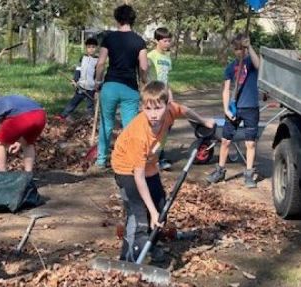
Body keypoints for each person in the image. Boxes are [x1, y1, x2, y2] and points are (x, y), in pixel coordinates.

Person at [111, 81, 214, 263]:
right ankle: (128, 260)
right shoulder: (138, 134)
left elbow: (184, 110)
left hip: (149, 165)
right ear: (142, 107)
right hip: (126, 168)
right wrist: (149, 208)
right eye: (148, 109)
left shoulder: (170, 112)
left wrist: (203, 121)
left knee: (160, 208)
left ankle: (149, 245)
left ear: (166, 106)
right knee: (139, 215)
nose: (153, 115)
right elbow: (138, 177)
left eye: (157, 109)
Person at [93, 4, 149, 172]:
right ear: (133, 20)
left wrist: (97, 81)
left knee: (106, 124)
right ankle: (129, 160)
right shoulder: (139, 41)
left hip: (110, 86)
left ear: (117, 19)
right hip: (130, 88)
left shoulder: (109, 38)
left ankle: (101, 161)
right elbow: (144, 67)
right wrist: (144, 82)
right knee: (130, 127)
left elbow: (101, 62)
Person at [206, 34, 260, 189]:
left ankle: (249, 174)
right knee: (225, 141)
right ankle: (220, 170)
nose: (239, 52)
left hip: (251, 108)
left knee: (250, 143)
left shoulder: (251, 64)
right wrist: (226, 109)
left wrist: (249, 47)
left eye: (242, 49)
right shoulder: (230, 67)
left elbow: (259, 65)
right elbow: (226, 90)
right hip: (234, 108)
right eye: (236, 49)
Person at [147, 27, 174, 171]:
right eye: (165, 41)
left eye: (169, 41)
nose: (168, 43)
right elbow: (145, 76)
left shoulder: (167, 57)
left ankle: (160, 156)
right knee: (155, 128)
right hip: (154, 97)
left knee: (166, 127)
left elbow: (166, 79)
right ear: (157, 41)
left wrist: (170, 95)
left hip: (165, 96)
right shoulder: (151, 56)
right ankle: (152, 156)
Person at [56, 37, 99, 122]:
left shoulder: (97, 60)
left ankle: (91, 120)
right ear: (86, 48)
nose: (91, 49)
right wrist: (75, 80)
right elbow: (78, 70)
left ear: (96, 48)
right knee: (74, 101)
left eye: (93, 47)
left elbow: (98, 75)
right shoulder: (82, 58)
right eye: (89, 47)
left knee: (90, 105)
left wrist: (97, 87)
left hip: (91, 88)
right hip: (81, 86)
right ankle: (63, 115)